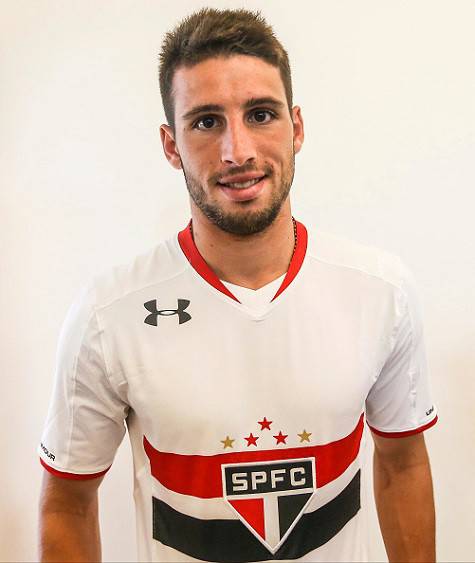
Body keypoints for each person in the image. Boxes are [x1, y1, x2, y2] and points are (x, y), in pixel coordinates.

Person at [38, 7, 437, 563]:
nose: (238, 151)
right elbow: (68, 502)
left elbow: (403, 464)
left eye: (260, 114)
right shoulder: (109, 314)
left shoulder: (381, 291)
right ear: (171, 144)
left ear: (296, 128)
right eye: (206, 122)